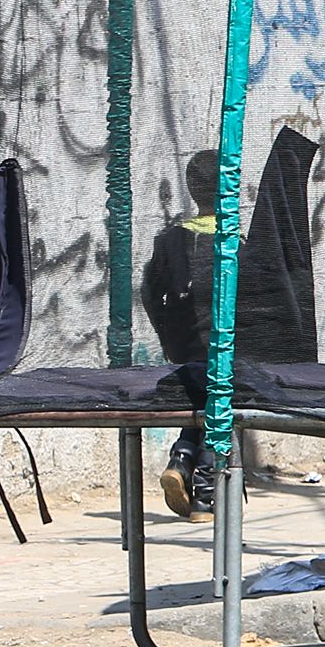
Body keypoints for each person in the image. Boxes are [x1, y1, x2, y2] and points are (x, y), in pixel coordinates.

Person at [141, 151, 226, 517]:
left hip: (184, 344)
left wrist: (165, 333)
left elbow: (149, 291)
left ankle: (181, 459)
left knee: (201, 401)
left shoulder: (170, 240)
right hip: (222, 347)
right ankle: (206, 490)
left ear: (193, 190)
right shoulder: (234, 239)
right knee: (221, 406)